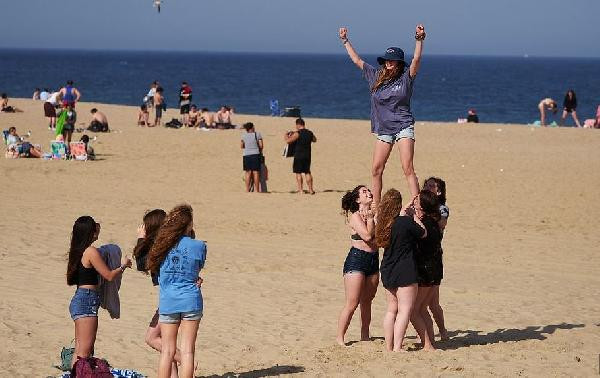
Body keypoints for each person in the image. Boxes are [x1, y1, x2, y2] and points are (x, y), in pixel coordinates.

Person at [339, 24, 425, 207]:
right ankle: (376, 207)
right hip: (384, 129)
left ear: (400, 63)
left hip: (403, 126)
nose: (388, 63)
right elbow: (357, 60)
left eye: (392, 61)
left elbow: (416, 59)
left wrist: (419, 39)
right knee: (376, 169)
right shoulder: (376, 76)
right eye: (386, 60)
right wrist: (345, 40)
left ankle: (418, 206)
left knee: (407, 167)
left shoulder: (406, 78)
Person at [147, 205, 207, 378]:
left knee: (167, 350)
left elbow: (152, 267)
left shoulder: (161, 245)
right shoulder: (199, 245)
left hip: (169, 300)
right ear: (187, 225)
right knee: (187, 351)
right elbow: (197, 267)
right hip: (190, 298)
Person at [66, 216, 132, 367]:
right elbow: (108, 275)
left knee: (79, 351)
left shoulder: (79, 250)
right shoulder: (90, 252)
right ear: (90, 232)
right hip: (87, 301)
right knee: (84, 353)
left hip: (83, 299)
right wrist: (123, 266)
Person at [133, 209, 183, 378]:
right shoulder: (170, 243)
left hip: (171, 298)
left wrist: (141, 238)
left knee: (152, 337)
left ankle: (187, 359)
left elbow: (141, 264)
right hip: (176, 296)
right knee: (165, 340)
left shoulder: (159, 246)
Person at [375, 189, 426, 352]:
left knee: (391, 310)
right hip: (405, 270)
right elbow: (423, 233)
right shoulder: (405, 222)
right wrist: (415, 216)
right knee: (404, 311)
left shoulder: (383, 223)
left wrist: (404, 212)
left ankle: (390, 347)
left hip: (388, 269)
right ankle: (397, 347)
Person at [336, 186, 378, 346]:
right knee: (352, 302)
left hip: (373, 259)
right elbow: (367, 236)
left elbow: (381, 236)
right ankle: (340, 337)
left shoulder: (374, 215)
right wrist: (370, 219)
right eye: (364, 192)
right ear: (357, 199)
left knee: (367, 300)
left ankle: (365, 334)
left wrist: (373, 217)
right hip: (357, 259)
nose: (368, 193)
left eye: (368, 190)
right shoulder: (355, 216)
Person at [410, 190, 442, 351]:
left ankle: (428, 344)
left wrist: (412, 217)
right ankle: (430, 342)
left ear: (421, 205)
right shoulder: (434, 221)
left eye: (416, 199)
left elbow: (420, 238)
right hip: (434, 270)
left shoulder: (426, 224)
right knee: (422, 308)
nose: (413, 200)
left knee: (414, 310)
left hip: (426, 271)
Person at [423, 177, 449, 341]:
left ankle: (442, 331)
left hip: (433, 256)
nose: (428, 187)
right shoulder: (419, 205)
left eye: (432, 186)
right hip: (420, 255)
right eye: (426, 185)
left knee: (433, 303)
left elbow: (441, 224)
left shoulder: (442, 209)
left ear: (438, 191)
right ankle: (428, 333)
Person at [284, 118, 317, 194]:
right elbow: (315, 140)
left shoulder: (297, 133)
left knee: (298, 173)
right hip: (307, 155)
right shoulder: (309, 133)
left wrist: (286, 135)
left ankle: (300, 190)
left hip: (298, 155)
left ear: (298, 125)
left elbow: (288, 141)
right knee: (307, 172)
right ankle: (311, 189)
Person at [241, 122, 263, 193]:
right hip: (255, 154)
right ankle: (257, 190)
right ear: (252, 128)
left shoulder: (243, 136)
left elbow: (242, 146)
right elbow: (261, 145)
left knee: (248, 172)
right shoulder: (257, 134)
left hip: (246, 155)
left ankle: (247, 190)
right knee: (255, 172)